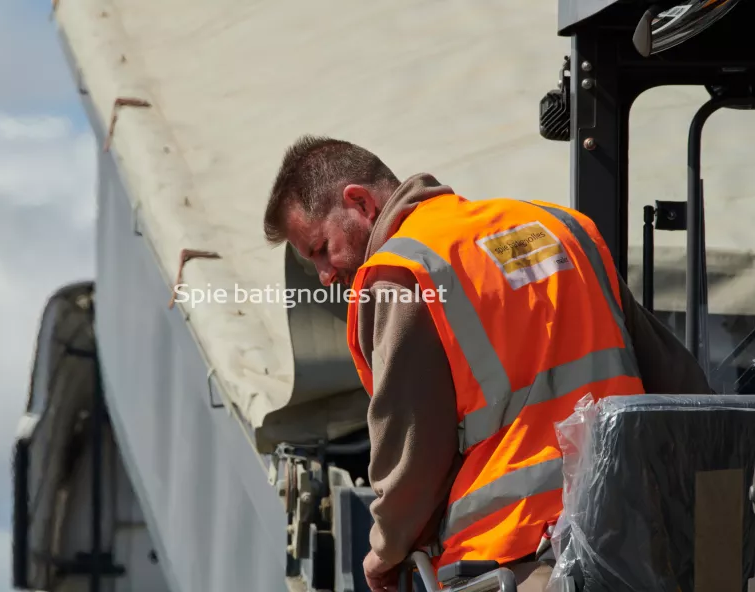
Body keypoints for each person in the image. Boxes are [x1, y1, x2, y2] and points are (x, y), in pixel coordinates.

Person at [261, 135, 713, 591]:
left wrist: (386, 548)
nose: (325, 274)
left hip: (521, 560)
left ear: (359, 202)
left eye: (320, 248)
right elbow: (680, 384)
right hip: (639, 538)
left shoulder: (401, 273)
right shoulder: (561, 227)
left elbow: (413, 452)